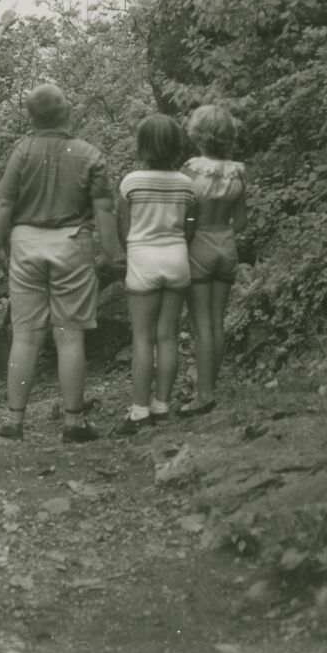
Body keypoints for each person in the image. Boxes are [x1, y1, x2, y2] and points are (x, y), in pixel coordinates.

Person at [0, 83, 120, 442]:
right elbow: (105, 208)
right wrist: (109, 251)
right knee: (69, 336)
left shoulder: (22, 151)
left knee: (26, 335)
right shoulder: (89, 154)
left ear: (31, 118)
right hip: (72, 245)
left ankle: (14, 421)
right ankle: (74, 424)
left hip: (27, 245)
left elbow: (4, 203)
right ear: (67, 111)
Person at [114, 113, 194, 437]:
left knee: (142, 337)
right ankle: (162, 405)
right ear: (176, 146)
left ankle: (139, 411)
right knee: (167, 336)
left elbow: (123, 230)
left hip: (143, 260)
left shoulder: (131, 183)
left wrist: (134, 250)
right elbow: (190, 227)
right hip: (177, 259)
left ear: (142, 145)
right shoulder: (186, 185)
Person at [179, 104, 248, 417]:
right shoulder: (237, 173)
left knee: (202, 325)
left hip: (199, 248)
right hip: (227, 247)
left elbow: (185, 218)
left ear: (198, 135)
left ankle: (203, 394)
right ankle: (209, 385)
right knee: (217, 321)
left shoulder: (190, 172)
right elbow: (241, 222)